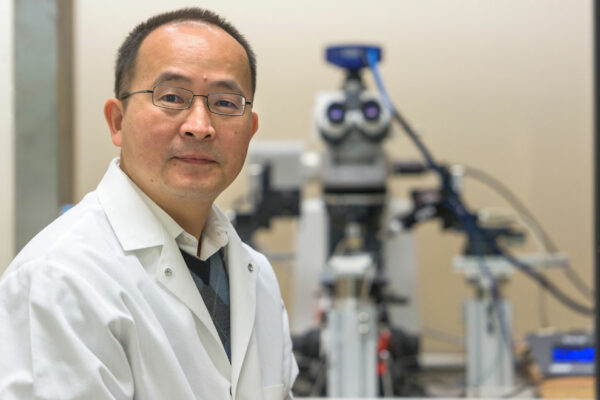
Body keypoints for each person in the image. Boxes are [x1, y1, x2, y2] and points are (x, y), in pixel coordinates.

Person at [0, 8, 297, 400]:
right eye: (172, 97)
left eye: (225, 103)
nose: (200, 125)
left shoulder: (256, 275)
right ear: (117, 121)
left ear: (250, 130)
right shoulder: (60, 279)